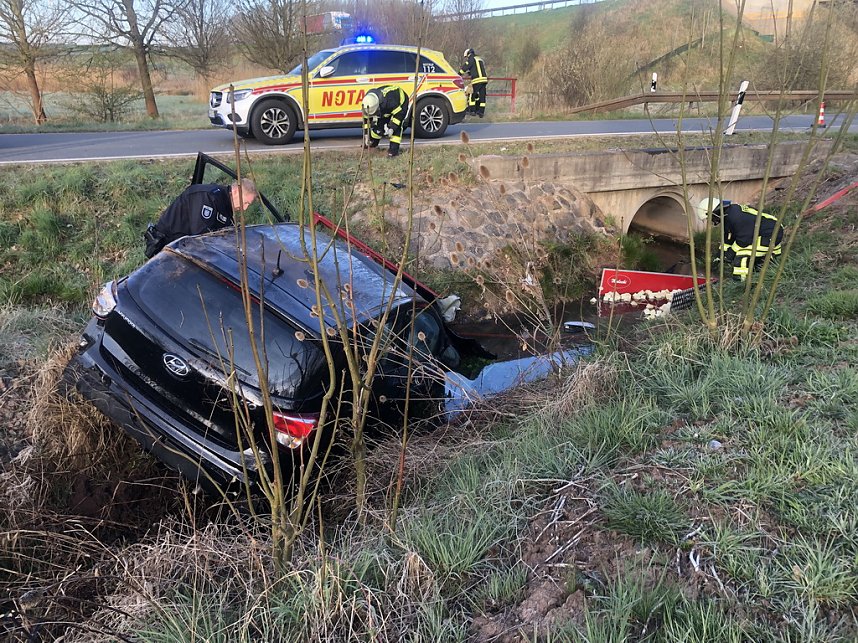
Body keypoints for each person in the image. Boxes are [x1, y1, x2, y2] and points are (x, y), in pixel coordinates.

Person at [144, 178, 257, 258]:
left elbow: (221, 235)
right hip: (168, 245)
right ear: (236, 191)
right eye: (245, 202)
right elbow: (200, 238)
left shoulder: (225, 203)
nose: (245, 208)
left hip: (184, 245)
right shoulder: (209, 198)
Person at [697, 198, 783, 281]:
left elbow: (744, 240)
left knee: (742, 256)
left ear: (714, 212)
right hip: (763, 232)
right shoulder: (729, 214)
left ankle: (740, 282)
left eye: (709, 218)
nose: (711, 221)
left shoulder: (735, 217)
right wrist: (719, 255)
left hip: (771, 233)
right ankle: (762, 267)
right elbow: (728, 238)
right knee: (756, 262)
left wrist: (731, 252)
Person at [361, 86, 409, 158]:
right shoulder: (367, 102)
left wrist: (392, 128)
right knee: (379, 126)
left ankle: (393, 152)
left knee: (396, 129)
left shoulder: (390, 102)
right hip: (385, 106)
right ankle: (372, 144)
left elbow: (399, 115)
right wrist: (366, 135)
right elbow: (366, 121)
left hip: (400, 103)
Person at [459, 48, 488, 117]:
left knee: (472, 95)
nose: (467, 58)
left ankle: (472, 111)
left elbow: (465, 68)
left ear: (468, 54)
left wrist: (458, 74)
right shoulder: (479, 59)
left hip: (477, 80)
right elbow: (477, 68)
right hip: (484, 80)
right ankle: (481, 112)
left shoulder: (471, 59)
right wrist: (471, 72)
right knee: (482, 96)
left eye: (467, 56)